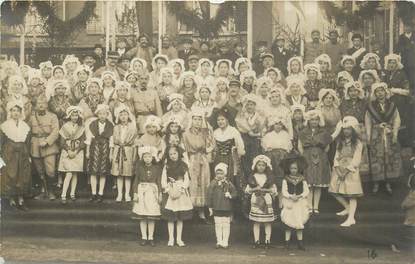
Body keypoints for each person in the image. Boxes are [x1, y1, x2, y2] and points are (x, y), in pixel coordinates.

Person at [365, 82, 402, 194]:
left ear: (385, 92)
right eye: (377, 91)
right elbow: (368, 122)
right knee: (377, 157)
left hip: (389, 133)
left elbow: (397, 120)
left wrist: (395, 134)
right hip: (376, 134)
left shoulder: (392, 105)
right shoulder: (371, 106)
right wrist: (368, 136)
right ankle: (376, 182)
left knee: (389, 156)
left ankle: (388, 182)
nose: (380, 93)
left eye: (382, 91)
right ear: (374, 93)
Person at [329, 116, 364, 227]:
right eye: (344, 129)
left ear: (353, 130)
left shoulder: (358, 143)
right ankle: (347, 207)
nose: (346, 131)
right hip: (339, 168)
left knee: (351, 194)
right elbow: (337, 155)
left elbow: (356, 159)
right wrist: (337, 167)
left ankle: (351, 218)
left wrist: (347, 171)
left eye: (348, 129)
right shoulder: (340, 141)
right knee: (334, 190)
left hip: (350, 170)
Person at [183, 107, 214, 221]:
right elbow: (184, 149)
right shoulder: (185, 134)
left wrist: (208, 128)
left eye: (200, 120)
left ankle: (201, 212)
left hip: (203, 159)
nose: (197, 122)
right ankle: (190, 211)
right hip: (191, 159)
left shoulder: (205, 133)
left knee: (203, 183)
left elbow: (210, 145)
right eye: (195, 119)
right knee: (193, 183)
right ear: (192, 120)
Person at [298, 109, 331, 213]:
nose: (314, 122)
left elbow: (327, 147)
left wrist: (320, 154)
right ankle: (309, 206)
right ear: (308, 121)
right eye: (312, 120)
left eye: (316, 120)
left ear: (319, 121)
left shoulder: (323, 132)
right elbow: (300, 146)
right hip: (307, 156)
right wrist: (304, 156)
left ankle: (315, 206)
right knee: (309, 183)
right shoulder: (303, 132)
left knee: (318, 183)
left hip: (320, 157)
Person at [1, 100, 32, 210]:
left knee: (22, 175)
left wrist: (28, 155)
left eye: (18, 111)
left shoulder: (25, 126)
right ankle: (11, 200)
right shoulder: (4, 126)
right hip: (9, 153)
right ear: (10, 112)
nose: (15, 113)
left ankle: (21, 199)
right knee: (11, 175)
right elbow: (2, 142)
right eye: (13, 111)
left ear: (21, 112)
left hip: (22, 152)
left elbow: (28, 142)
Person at [161, 146, 193, 247]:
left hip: (181, 192)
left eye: (174, 154)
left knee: (180, 217)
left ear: (178, 154)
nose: (173, 156)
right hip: (170, 192)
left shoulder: (183, 165)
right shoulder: (166, 166)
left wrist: (182, 188)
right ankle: (171, 238)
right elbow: (163, 179)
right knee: (171, 217)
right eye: (170, 154)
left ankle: (179, 239)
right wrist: (167, 189)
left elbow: (187, 179)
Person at [29, 95, 60, 201]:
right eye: (39, 103)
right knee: (40, 171)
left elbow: (56, 131)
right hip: (35, 145)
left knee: (50, 171)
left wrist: (47, 141)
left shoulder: (53, 116)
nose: (41, 105)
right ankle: (44, 191)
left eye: (43, 103)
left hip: (49, 146)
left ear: (47, 105)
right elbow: (28, 132)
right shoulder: (32, 117)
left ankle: (51, 191)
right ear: (36, 105)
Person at [245, 155, 278, 249]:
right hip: (256, 199)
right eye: (259, 165)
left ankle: (268, 241)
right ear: (255, 166)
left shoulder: (269, 177)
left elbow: (273, 191)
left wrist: (265, 190)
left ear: (266, 166)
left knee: (267, 222)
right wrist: (255, 188)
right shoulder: (252, 177)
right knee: (256, 222)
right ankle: (257, 241)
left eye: (263, 165)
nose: (261, 167)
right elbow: (247, 190)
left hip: (267, 200)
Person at [132, 146, 162, 247]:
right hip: (142, 191)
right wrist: (135, 193)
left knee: (151, 217)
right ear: (142, 158)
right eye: (145, 157)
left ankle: (151, 237)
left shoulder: (156, 168)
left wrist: (160, 193)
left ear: (152, 157)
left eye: (149, 156)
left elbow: (158, 181)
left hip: (152, 192)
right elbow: (136, 181)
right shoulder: (140, 168)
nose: (147, 159)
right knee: (143, 217)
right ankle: (144, 237)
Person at [280, 152, 310, 251]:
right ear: (289, 169)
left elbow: (306, 191)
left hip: (299, 203)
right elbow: (284, 191)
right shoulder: (286, 180)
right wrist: (290, 196)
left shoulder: (302, 179)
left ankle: (300, 243)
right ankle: (287, 242)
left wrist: (300, 196)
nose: (293, 170)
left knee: (299, 223)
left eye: (295, 168)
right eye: (292, 168)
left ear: (299, 169)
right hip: (290, 203)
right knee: (288, 223)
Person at [213, 109, 245, 195]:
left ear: (227, 120)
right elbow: (215, 148)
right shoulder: (215, 132)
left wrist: (236, 158)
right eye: (218, 120)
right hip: (219, 159)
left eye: (222, 119)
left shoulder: (233, 131)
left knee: (231, 179)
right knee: (219, 178)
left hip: (230, 158)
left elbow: (240, 147)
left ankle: (231, 202)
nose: (220, 122)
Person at [382, 54, 413, 146]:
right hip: (388, 101)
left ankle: (402, 144)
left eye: (393, 62)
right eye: (390, 62)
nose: (391, 64)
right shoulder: (386, 74)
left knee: (399, 121)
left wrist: (394, 90)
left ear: (397, 63)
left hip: (400, 102)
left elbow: (407, 91)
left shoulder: (402, 74)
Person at [85, 104, 114, 203]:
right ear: (97, 114)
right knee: (93, 172)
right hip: (94, 148)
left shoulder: (110, 125)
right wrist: (88, 151)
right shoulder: (92, 124)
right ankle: (94, 193)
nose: (102, 116)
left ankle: (100, 193)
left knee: (102, 173)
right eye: (100, 114)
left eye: (104, 114)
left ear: (107, 115)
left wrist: (111, 154)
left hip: (105, 149)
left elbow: (111, 141)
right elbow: (89, 139)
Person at [58, 106, 85, 204]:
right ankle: (63, 194)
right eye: (73, 115)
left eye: (76, 115)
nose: (75, 117)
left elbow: (82, 142)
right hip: (67, 151)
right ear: (69, 116)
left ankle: (72, 193)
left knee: (75, 173)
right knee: (68, 173)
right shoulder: (65, 126)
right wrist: (69, 150)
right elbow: (62, 142)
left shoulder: (81, 128)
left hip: (77, 151)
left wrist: (76, 151)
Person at [207, 163, 238, 249]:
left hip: (226, 208)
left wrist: (230, 195)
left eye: (221, 173)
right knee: (218, 224)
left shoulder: (228, 183)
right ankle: (219, 241)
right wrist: (210, 206)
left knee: (226, 224)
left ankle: (225, 241)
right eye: (217, 173)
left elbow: (235, 193)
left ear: (225, 174)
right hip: (216, 208)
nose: (219, 175)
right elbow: (209, 194)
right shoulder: (213, 183)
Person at [111, 104, 137, 203]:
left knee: (127, 173)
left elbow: (135, 142)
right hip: (118, 150)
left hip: (128, 150)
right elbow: (113, 141)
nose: (123, 117)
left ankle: (127, 194)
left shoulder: (133, 127)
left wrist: (134, 155)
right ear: (118, 117)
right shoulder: (116, 127)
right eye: (121, 115)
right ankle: (119, 194)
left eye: (125, 115)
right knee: (119, 174)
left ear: (128, 116)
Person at [235, 94, 264, 178]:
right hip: (245, 139)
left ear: (255, 106)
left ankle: (255, 178)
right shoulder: (241, 115)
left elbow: (262, 129)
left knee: (255, 159)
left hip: (255, 141)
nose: (249, 107)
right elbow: (240, 126)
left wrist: (256, 131)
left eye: (251, 104)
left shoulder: (259, 116)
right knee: (245, 160)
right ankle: (247, 179)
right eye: (247, 105)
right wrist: (248, 130)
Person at [396, 22, 415, 93]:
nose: (407, 28)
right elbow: (399, 48)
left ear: (412, 28)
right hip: (405, 62)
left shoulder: (414, 36)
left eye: (408, 27)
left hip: (413, 61)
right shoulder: (401, 37)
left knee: (413, 78)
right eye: (405, 27)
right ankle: (408, 92)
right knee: (406, 78)